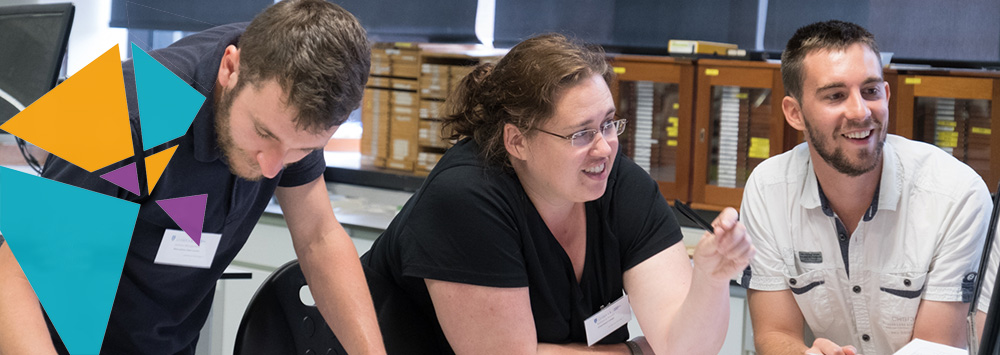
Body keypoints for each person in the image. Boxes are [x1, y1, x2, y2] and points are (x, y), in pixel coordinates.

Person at [0, 0, 386, 354]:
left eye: (300, 150)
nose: (272, 168)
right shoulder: (121, 106)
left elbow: (319, 236)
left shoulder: (289, 106)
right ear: (230, 68)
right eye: (263, 134)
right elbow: (15, 275)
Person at [360, 33, 755, 354]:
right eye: (581, 133)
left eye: (607, 124)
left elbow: (682, 347)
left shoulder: (619, 184)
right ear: (517, 142)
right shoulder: (466, 198)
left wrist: (710, 281)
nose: (604, 148)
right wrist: (634, 353)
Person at [741, 20, 992, 355]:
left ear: (886, 95)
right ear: (795, 113)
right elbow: (774, 333)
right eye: (835, 95)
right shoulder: (768, 189)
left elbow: (936, 348)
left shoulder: (955, 195)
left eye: (870, 91)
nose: (860, 111)